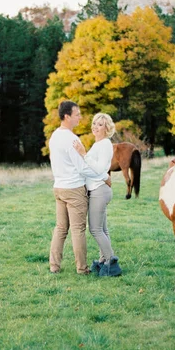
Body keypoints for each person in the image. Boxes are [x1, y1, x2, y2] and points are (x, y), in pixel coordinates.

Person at [48, 101, 111, 275]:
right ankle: (82, 269)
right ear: (67, 116)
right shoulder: (72, 139)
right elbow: (83, 168)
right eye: (77, 114)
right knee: (78, 229)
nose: (80, 117)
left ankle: (54, 265)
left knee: (61, 227)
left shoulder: (54, 136)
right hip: (74, 189)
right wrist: (104, 177)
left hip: (58, 187)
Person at [73, 113, 122, 277]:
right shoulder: (98, 144)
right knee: (102, 229)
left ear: (107, 128)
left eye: (100, 124)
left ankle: (111, 263)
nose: (95, 126)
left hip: (99, 191)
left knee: (95, 229)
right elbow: (95, 171)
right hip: (99, 188)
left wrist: (84, 154)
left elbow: (100, 169)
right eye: (94, 123)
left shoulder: (105, 144)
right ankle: (104, 260)